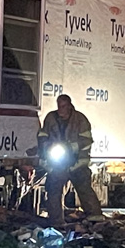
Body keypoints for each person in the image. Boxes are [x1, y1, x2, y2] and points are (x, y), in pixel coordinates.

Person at [37, 94, 103, 224]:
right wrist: (46, 147)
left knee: (84, 189)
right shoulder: (51, 118)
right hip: (58, 162)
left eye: (63, 106)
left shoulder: (80, 119)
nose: (60, 109)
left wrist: (72, 147)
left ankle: (96, 219)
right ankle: (56, 221)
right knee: (53, 189)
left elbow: (87, 140)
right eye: (59, 106)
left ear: (69, 106)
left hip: (77, 162)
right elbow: (43, 135)